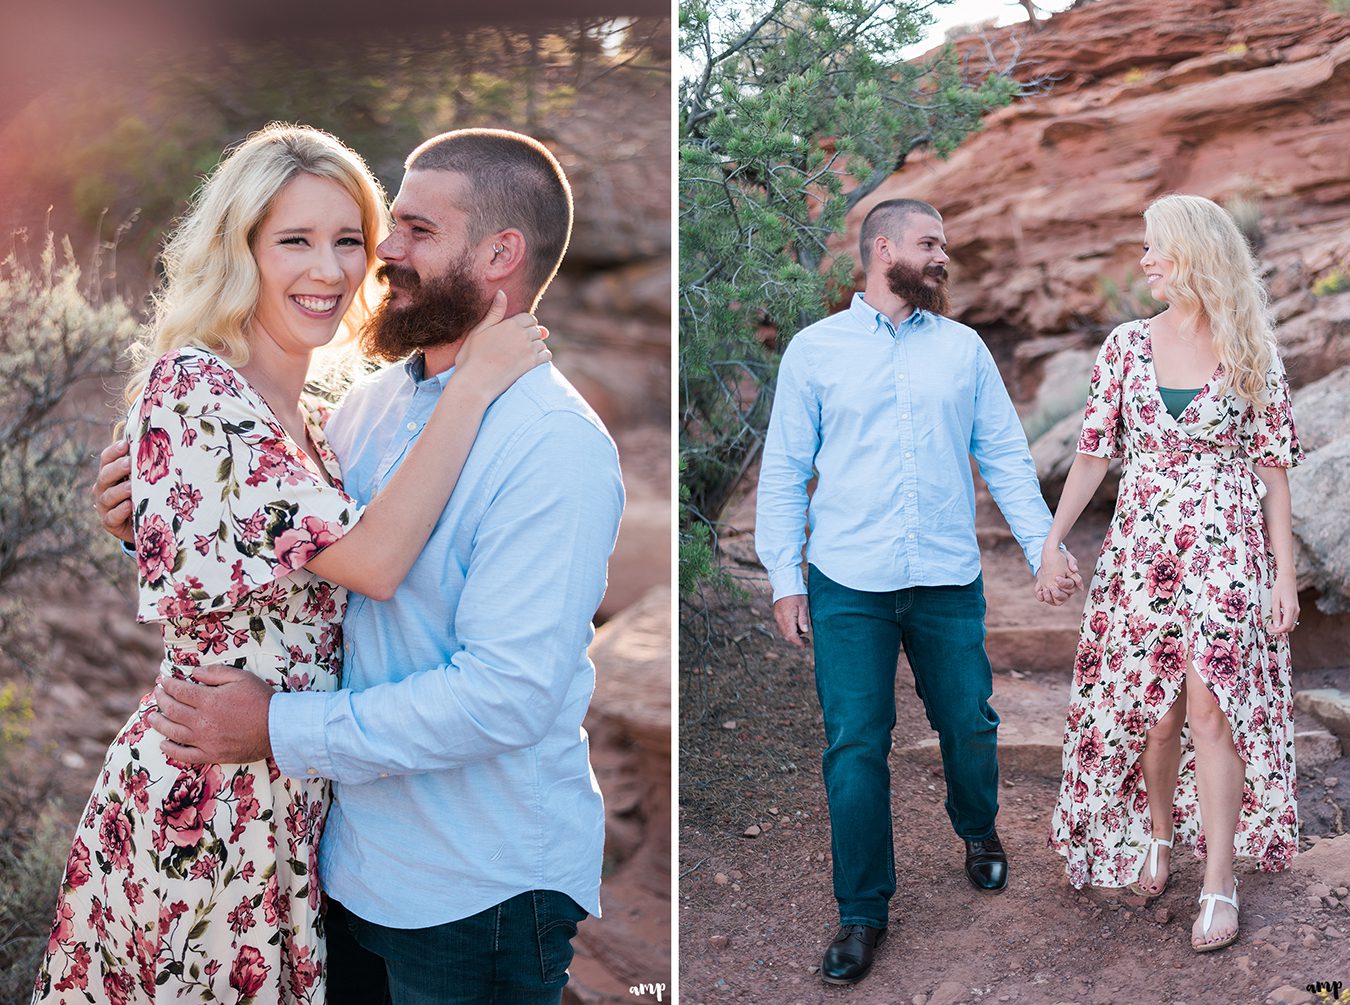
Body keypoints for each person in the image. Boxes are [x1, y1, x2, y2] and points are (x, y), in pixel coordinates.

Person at [94, 128, 624, 1003]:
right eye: (308, 238)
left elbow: (506, 694)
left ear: (498, 253)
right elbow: (293, 560)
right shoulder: (368, 408)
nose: (380, 252)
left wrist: (279, 728)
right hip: (337, 864)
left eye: (411, 229)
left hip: (474, 889)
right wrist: (145, 513)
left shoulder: (553, 444)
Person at [755, 197, 1081, 986]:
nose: (942, 256)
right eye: (930, 243)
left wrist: (1046, 547)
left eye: (944, 244)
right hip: (848, 582)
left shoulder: (964, 350)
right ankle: (862, 911)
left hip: (944, 576)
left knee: (969, 723)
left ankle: (979, 829)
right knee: (854, 744)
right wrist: (783, 578)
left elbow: (1005, 455)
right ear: (883, 248)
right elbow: (786, 470)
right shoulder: (815, 350)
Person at [1042, 193, 1301, 953]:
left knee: (1213, 707)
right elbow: (1093, 451)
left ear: (1193, 252)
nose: (1146, 258)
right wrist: (1054, 540)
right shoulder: (1125, 347)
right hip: (1143, 554)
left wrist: (1284, 577)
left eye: (1156, 246)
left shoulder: (1250, 344)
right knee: (1156, 713)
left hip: (1226, 550)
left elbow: (1275, 472)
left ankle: (1219, 878)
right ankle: (1158, 833)